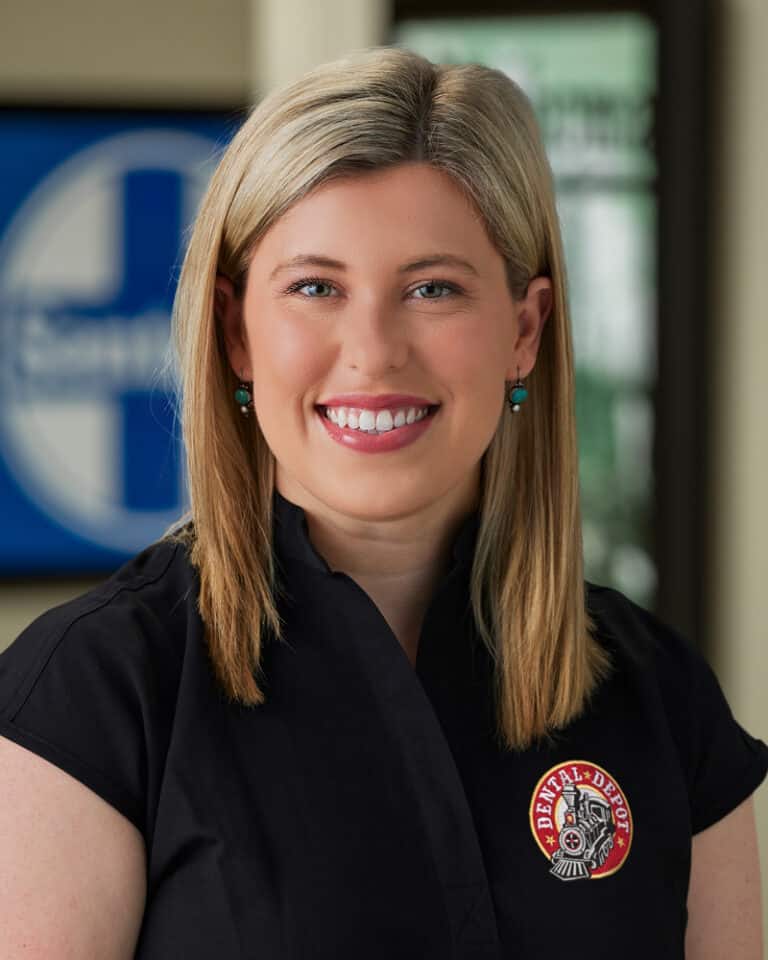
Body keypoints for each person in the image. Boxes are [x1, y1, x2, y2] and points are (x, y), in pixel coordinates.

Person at [0, 45, 765, 959]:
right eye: (315, 288)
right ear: (237, 332)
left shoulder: (661, 700)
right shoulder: (96, 694)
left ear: (524, 330)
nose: (372, 350)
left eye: (432, 288)